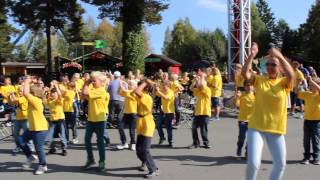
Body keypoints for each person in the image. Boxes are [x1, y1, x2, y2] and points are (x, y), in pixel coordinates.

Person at [242, 43, 294, 180]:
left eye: (273, 65)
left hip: (276, 129)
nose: (270, 67)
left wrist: (279, 56)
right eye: (268, 64)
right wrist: (252, 55)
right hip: (257, 127)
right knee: (253, 164)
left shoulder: (284, 83)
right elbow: (245, 74)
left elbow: (291, 75)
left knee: (281, 164)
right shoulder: (260, 80)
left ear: (280, 68)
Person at [18, 77, 49, 175]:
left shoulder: (36, 100)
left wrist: (27, 81)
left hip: (40, 128)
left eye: (30, 92)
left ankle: (43, 165)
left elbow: (26, 93)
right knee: (20, 140)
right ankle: (30, 156)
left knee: (39, 148)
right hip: (32, 128)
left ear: (34, 94)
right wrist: (26, 84)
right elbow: (24, 91)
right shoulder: (32, 100)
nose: (28, 94)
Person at [82, 71, 108, 172]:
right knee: (87, 139)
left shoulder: (101, 90)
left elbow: (84, 93)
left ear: (101, 82)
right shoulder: (93, 89)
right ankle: (91, 159)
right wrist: (87, 83)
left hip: (100, 120)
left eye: (94, 80)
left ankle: (102, 162)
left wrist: (86, 83)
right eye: (92, 80)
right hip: (91, 120)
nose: (92, 82)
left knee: (100, 142)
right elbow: (83, 96)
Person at [134, 79, 159, 178]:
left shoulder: (147, 97)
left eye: (140, 85)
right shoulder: (141, 95)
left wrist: (146, 82)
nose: (137, 87)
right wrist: (146, 82)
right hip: (141, 122)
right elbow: (135, 91)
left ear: (145, 88)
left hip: (147, 123)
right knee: (138, 149)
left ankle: (153, 169)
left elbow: (136, 91)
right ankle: (145, 161)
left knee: (145, 149)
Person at [298, 76, 320, 165]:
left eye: (313, 85)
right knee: (306, 140)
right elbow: (297, 92)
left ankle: (316, 157)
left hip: (317, 121)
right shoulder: (307, 94)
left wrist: (311, 80)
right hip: (307, 121)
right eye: (310, 85)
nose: (311, 86)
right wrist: (298, 84)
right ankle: (306, 157)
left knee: (316, 140)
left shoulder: (318, 95)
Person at [189, 69, 212, 149]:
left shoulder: (207, 89)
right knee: (194, 128)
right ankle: (196, 143)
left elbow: (202, 85)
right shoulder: (197, 90)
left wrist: (201, 76)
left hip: (205, 113)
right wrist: (195, 80)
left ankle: (206, 143)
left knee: (203, 129)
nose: (198, 84)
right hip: (198, 112)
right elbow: (191, 88)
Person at [234, 80, 255, 159]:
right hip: (242, 120)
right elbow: (236, 104)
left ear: (253, 87)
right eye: (247, 85)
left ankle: (247, 153)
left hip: (252, 121)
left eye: (250, 85)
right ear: (245, 87)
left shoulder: (256, 96)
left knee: (250, 138)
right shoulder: (242, 95)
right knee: (241, 137)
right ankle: (239, 147)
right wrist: (237, 97)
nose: (249, 87)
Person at [45, 82, 68, 156]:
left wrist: (56, 86)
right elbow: (47, 97)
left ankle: (64, 149)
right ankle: (52, 149)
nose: (53, 94)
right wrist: (50, 88)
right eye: (52, 93)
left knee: (62, 136)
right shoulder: (50, 101)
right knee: (49, 136)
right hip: (52, 121)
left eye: (54, 93)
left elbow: (60, 95)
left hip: (60, 120)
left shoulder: (59, 101)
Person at [9, 86, 32, 153]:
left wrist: (12, 94)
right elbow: (11, 102)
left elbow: (15, 100)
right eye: (19, 91)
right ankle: (18, 146)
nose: (20, 92)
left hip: (25, 118)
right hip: (18, 119)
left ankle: (30, 146)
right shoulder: (18, 98)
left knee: (27, 134)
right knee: (16, 134)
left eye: (21, 91)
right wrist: (9, 95)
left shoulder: (24, 98)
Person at [117, 80, 138, 150]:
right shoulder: (127, 92)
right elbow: (119, 92)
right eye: (129, 84)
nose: (129, 85)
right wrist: (120, 86)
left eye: (130, 84)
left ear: (135, 86)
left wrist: (121, 83)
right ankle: (124, 143)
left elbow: (124, 90)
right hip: (125, 113)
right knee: (120, 127)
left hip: (133, 113)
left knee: (131, 131)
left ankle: (133, 143)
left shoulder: (134, 93)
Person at [155, 80, 175, 147]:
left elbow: (166, 97)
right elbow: (156, 94)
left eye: (164, 85)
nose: (163, 86)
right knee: (158, 125)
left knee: (168, 128)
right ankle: (162, 137)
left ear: (168, 86)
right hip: (162, 111)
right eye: (162, 85)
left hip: (169, 112)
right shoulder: (162, 90)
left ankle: (170, 141)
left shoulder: (171, 92)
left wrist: (159, 91)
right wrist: (155, 88)